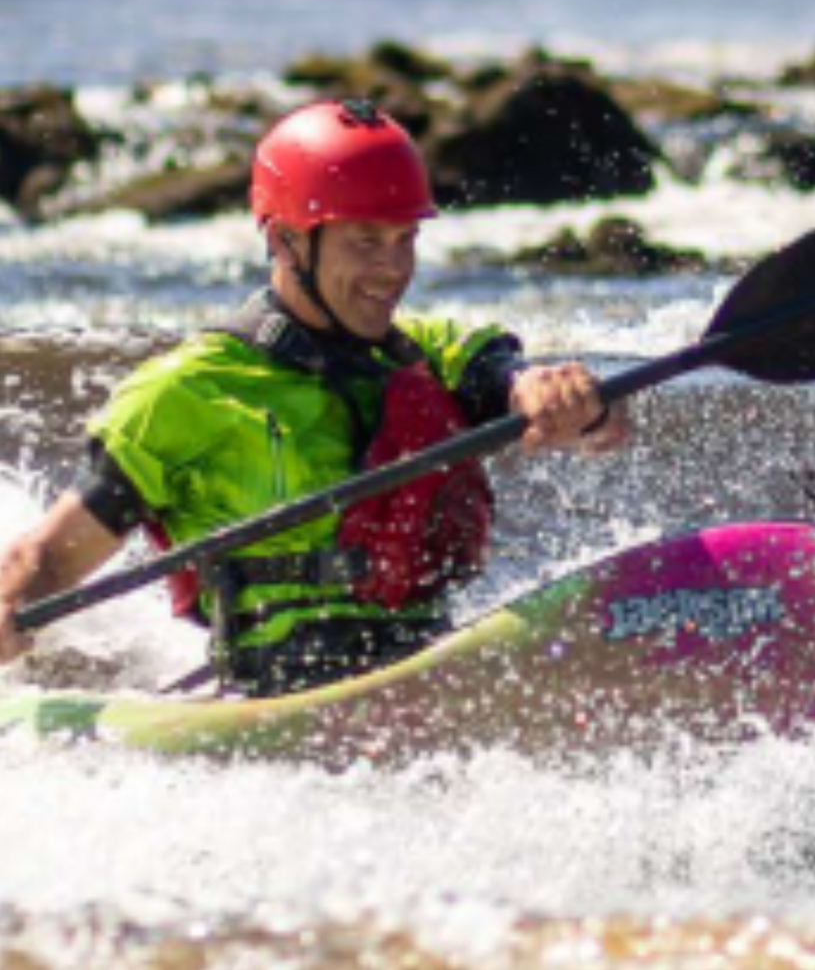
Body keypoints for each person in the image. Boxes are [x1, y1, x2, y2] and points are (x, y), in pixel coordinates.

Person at [0, 99, 629, 696]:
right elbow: (49, 556)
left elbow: (533, 393)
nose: (393, 269)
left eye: (405, 240)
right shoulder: (186, 393)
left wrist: (572, 403)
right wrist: (11, 603)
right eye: (365, 242)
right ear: (285, 242)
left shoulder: (430, 354)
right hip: (273, 697)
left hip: (427, 668)